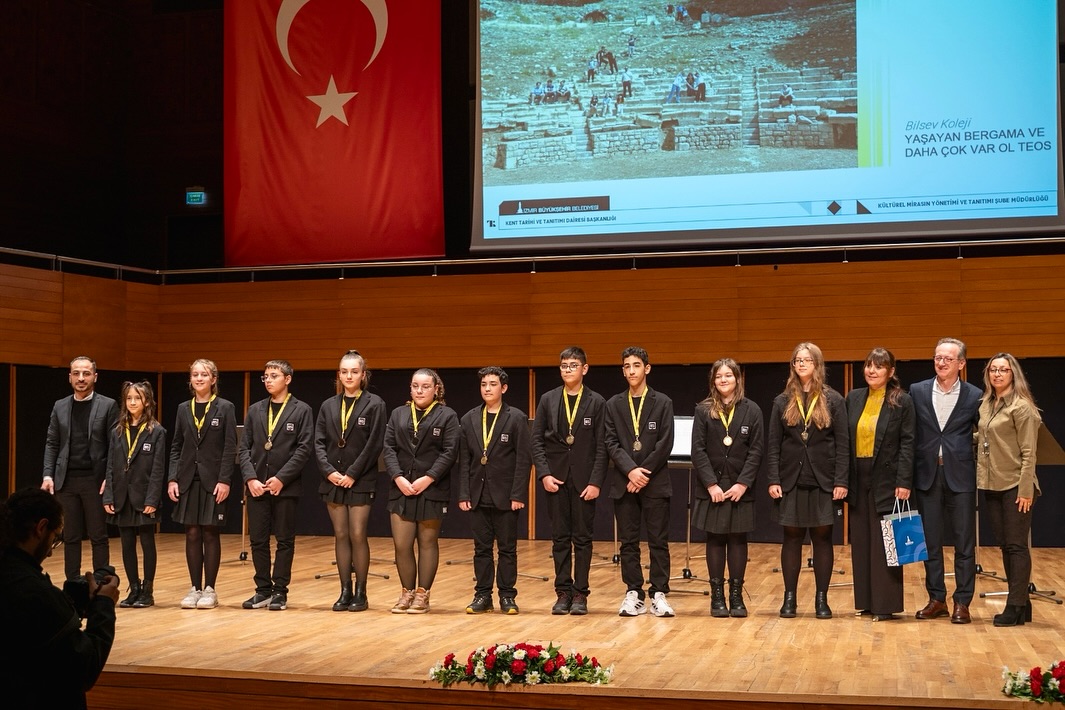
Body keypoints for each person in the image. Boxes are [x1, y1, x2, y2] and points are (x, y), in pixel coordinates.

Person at [0, 488, 119, 709]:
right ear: (41, 528)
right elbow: (83, 667)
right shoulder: (35, 593)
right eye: (54, 539)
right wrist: (103, 606)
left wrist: (67, 606)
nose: (51, 553)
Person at [767, 342, 848, 619]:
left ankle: (821, 600)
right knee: (791, 538)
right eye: (797, 360)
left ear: (817, 364)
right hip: (790, 480)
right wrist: (773, 478)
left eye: (806, 360)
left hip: (823, 481)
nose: (801, 364)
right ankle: (789, 599)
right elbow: (773, 445)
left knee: (823, 538)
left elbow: (842, 445)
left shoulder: (833, 399)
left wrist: (841, 480)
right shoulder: (781, 400)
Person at [910, 337, 981, 624]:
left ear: (961, 364)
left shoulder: (975, 395)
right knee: (930, 542)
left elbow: (983, 432)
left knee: (964, 543)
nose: (941, 362)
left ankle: (962, 602)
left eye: (948, 359)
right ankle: (936, 598)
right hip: (927, 474)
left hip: (960, 475)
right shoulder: (917, 391)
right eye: (938, 357)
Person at [533, 346, 607, 616]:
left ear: (584, 369)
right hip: (556, 479)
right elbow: (536, 441)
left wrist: (596, 481)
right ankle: (562, 592)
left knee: (583, 539)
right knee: (560, 539)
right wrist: (544, 473)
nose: (567, 370)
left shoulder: (597, 402)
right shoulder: (548, 399)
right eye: (564, 365)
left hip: (585, 482)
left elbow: (603, 446)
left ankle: (580, 593)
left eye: (573, 365)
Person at [604, 347, 675, 618]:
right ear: (623, 371)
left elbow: (664, 442)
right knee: (628, 541)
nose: (631, 370)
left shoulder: (663, 402)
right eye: (626, 366)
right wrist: (630, 471)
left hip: (655, 482)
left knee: (658, 540)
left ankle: (659, 593)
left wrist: (642, 473)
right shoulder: (613, 404)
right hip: (624, 482)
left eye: (636, 365)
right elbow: (611, 442)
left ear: (647, 368)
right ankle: (633, 591)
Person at [238, 359, 314, 612]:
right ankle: (262, 590)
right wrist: (250, 479)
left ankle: (280, 591)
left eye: (274, 376)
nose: (268, 380)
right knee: (258, 540)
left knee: (284, 540)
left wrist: (282, 478)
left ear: (287, 379)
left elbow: (304, 449)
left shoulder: (301, 410)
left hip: (285, 486)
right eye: (265, 377)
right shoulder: (255, 409)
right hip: (257, 485)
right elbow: (244, 447)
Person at [691, 358, 764, 618]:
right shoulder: (703, 410)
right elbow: (697, 450)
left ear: (737, 379)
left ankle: (736, 594)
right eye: (719, 376)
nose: (724, 380)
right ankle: (717, 596)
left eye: (728, 376)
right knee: (715, 538)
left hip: (740, 488)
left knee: (737, 539)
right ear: (713, 381)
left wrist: (743, 483)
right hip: (712, 488)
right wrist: (711, 484)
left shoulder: (752, 410)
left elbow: (756, 451)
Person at [845, 347, 915, 622]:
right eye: (868, 366)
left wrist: (904, 481)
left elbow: (909, 443)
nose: (872, 371)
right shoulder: (853, 398)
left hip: (888, 478)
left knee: (886, 542)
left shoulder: (902, 401)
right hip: (858, 476)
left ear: (891, 372)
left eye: (879, 366)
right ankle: (866, 602)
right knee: (861, 540)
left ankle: (885, 605)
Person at [383, 368, 460, 614]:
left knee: (427, 542)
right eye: (415, 386)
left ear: (436, 389)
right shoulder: (398, 414)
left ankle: (422, 594)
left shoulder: (447, 415)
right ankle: (406, 592)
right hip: (401, 488)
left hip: (432, 488)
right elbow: (389, 449)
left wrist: (429, 478)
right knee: (402, 545)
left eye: (425, 386)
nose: (419, 390)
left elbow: (449, 452)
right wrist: (397, 477)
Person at [314, 350, 386, 612]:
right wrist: (328, 471)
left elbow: (374, 444)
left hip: (360, 479)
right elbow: (319, 442)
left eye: (354, 371)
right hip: (332, 479)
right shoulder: (328, 405)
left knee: (357, 534)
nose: (349, 376)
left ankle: (361, 592)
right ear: (339, 375)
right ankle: (344, 590)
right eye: (344, 371)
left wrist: (352, 473)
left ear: (363, 375)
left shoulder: (375, 404)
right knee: (341, 534)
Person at [458, 367, 531, 615]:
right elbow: (465, 460)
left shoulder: (516, 418)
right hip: (478, 494)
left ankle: (507, 596)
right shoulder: (468, 419)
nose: (487, 388)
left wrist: (518, 495)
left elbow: (524, 459)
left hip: (506, 495)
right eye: (483, 384)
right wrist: (464, 494)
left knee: (507, 548)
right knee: (482, 549)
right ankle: (483, 595)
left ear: (504, 388)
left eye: (492, 384)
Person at [975, 353, 1041, 627]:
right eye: (993, 370)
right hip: (991, 482)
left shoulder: (1021, 407)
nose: (998, 374)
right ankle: (1022, 603)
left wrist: (1025, 490)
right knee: (1005, 545)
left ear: (1013, 374)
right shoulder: (987, 404)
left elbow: (1029, 453)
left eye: (1003, 370)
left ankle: (1014, 605)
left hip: (1016, 485)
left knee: (1016, 546)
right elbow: (985, 436)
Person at [168, 358, 237, 610]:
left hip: (214, 479)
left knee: (209, 531)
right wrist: (172, 477)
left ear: (213, 379)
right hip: (187, 478)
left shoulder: (225, 407)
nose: (199, 378)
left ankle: (210, 589)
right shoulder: (183, 408)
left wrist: (225, 480)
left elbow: (230, 447)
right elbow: (176, 445)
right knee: (192, 533)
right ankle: (194, 587)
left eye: (204, 375)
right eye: (195, 374)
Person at [42, 356, 119, 582]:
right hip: (66, 480)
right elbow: (52, 442)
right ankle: (73, 582)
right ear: (70, 377)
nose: (81, 378)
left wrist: (110, 477)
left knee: (98, 535)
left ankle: (101, 585)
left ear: (95, 376)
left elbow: (115, 445)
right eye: (76, 373)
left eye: (86, 373)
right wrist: (48, 474)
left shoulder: (108, 405)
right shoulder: (60, 406)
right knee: (71, 536)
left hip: (95, 481)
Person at [103, 380, 166, 609]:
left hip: (144, 497)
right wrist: (108, 495)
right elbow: (110, 466)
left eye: (137, 398)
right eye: (128, 398)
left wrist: (152, 499)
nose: (132, 402)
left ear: (146, 402)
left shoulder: (156, 431)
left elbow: (158, 469)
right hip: (121, 496)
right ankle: (134, 587)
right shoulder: (117, 431)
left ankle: (148, 590)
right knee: (127, 543)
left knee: (147, 542)